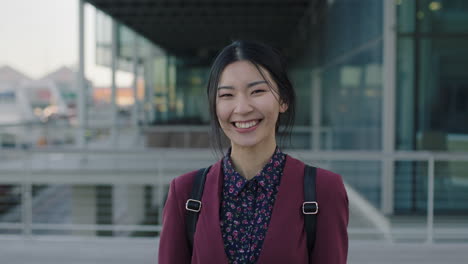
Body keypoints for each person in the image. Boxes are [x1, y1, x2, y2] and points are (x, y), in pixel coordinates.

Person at [158, 40, 348, 264]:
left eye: (257, 91)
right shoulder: (185, 193)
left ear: (283, 100)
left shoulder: (323, 190)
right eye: (227, 95)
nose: (242, 108)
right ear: (215, 106)